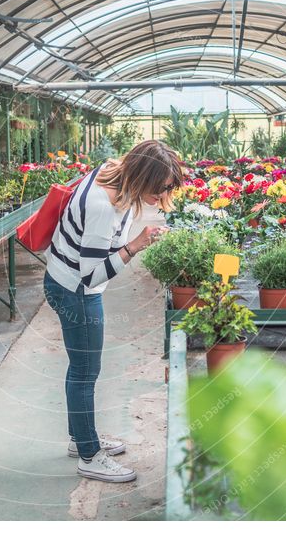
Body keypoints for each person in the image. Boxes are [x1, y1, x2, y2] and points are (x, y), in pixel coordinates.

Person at [43, 140, 183, 483]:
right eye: (161, 187)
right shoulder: (102, 206)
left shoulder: (110, 171)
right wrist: (135, 245)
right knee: (86, 371)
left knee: (82, 368)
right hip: (76, 290)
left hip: (63, 279)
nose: (164, 194)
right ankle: (90, 456)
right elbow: (92, 274)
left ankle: (82, 438)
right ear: (142, 176)